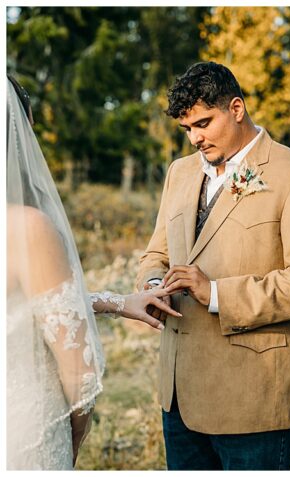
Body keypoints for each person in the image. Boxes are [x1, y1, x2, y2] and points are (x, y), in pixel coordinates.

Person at [136, 62, 290, 470]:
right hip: (179, 396)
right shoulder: (179, 173)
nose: (195, 138)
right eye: (187, 129)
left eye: (203, 123)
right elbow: (155, 253)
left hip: (253, 399)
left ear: (236, 108)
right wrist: (151, 283)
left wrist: (215, 293)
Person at [6, 76, 179, 470]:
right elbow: (81, 378)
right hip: (24, 436)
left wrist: (119, 302)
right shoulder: (26, 229)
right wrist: (71, 439)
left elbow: (18, 308)